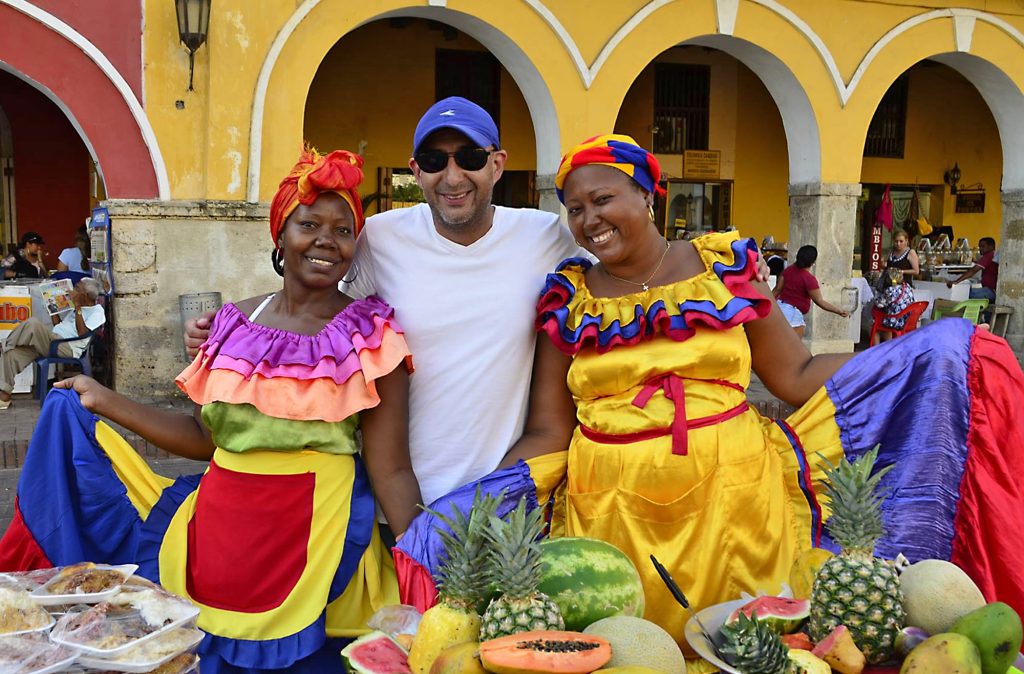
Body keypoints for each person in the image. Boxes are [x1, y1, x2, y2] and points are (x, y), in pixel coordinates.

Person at [397, 134, 1024, 654]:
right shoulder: (570, 299)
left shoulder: (722, 267)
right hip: (611, 517)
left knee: (748, 651)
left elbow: (796, 374)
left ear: (648, 195)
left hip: (739, 508)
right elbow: (548, 431)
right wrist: (471, 505)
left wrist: (914, 353)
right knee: (633, 655)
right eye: (576, 209)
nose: (590, 220)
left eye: (604, 199)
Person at [0, 148, 417, 673]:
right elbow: (203, 438)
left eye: (343, 230)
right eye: (309, 224)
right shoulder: (231, 325)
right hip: (218, 535)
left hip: (320, 535)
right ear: (280, 235)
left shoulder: (371, 336)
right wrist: (104, 399)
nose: (326, 240)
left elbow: (391, 468)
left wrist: (422, 562)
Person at [186, 97, 586, 517]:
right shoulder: (379, 237)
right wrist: (230, 332)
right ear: (416, 171)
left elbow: (610, 294)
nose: (453, 177)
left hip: (502, 505)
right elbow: (318, 304)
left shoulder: (546, 237)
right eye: (434, 161)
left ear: (497, 164)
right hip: (392, 501)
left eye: (470, 157)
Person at [0, 277, 104, 410]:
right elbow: (58, 325)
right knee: (11, 353)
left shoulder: (97, 311)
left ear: (86, 295)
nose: (73, 290)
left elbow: (82, 333)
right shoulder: (77, 308)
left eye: (77, 288)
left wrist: (77, 306)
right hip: (53, 341)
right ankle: (4, 396)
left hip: (67, 347)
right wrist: (52, 307)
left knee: (33, 323)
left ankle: (3, 345)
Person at [773, 244, 849, 337]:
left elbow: (777, 289)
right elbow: (819, 301)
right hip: (793, 313)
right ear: (813, 261)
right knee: (794, 344)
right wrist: (838, 311)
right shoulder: (809, 279)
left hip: (780, 307)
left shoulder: (788, 270)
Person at [947, 236, 998, 301]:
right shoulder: (993, 255)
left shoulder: (989, 256)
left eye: (983, 246)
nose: (980, 249)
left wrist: (956, 282)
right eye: (980, 247)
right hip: (991, 290)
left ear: (991, 246)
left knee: (964, 293)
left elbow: (973, 270)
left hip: (990, 291)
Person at [872, 266, 915, 344]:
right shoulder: (907, 286)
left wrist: (877, 296)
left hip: (896, 321)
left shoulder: (890, 290)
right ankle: (889, 345)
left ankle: (877, 348)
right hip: (908, 319)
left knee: (874, 325)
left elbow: (880, 304)